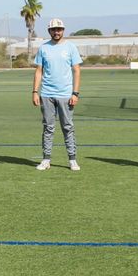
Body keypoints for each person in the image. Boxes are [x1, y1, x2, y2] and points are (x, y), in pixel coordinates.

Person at [33, 17, 82, 171]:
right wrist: (35, 91)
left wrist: (75, 93)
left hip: (66, 94)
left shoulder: (71, 47)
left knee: (67, 127)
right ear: (49, 31)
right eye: (53, 29)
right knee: (48, 127)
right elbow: (39, 71)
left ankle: (72, 159)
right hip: (47, 94)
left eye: (59, 29)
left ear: (63, 30)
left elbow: (77, 70)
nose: (56, 32)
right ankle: (46, 160)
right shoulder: (43, 48)